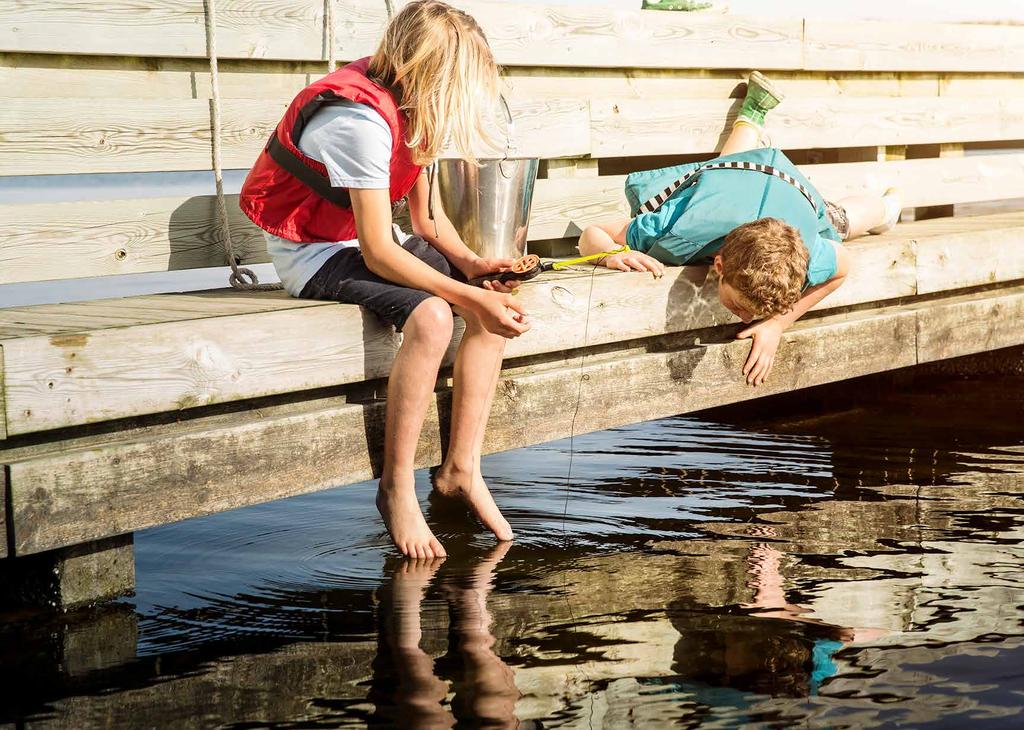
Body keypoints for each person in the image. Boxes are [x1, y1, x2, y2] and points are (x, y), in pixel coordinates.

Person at [239, 1, 528, 559]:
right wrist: (461, 295)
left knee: (493, 298)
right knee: (434, 315)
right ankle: (395, 487)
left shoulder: (413, 104)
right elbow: (376, 252)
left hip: (364, 244)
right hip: (313, 254)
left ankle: (461, 467)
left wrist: (472, 267)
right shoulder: (358, 120)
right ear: (431, 77)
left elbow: (425, 223)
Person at [577, 71, 902, 387]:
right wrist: (611, 255)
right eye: (739, 307)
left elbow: (844, 265)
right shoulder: (673, 227)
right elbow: (591, 233)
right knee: (741, 175)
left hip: (778, 188)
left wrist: (777, 324)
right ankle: (754, 117)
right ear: (719, 265)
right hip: (730, 181)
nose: (745, 320)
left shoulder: (801, 254)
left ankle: (887, 205)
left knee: (839, 221)